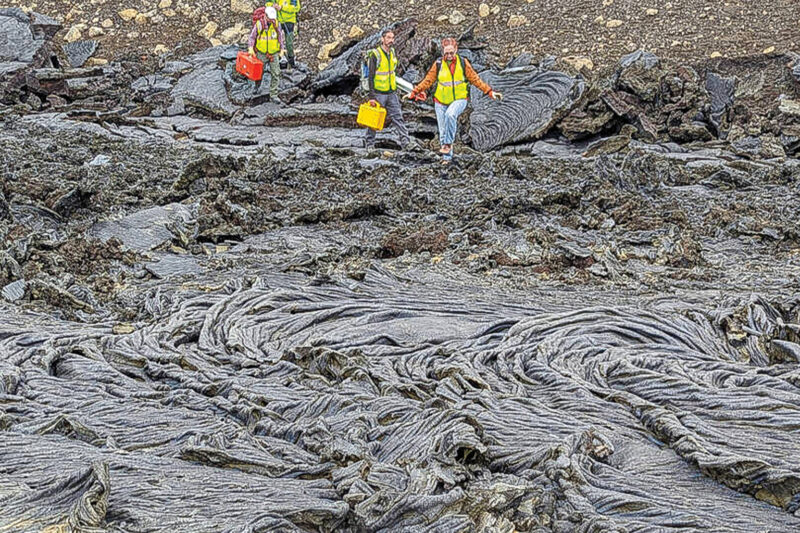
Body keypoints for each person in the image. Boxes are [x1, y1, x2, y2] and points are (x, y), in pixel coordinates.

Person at [407, 38, 502, 163]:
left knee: (450, 115)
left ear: (456, 50)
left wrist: (489, 92)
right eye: (446, 53)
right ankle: (447, 159)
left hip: (459, 99)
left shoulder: (463, 63)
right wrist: (414, 92)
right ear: (442, 52)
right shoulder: (438, 64)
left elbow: (475, 79)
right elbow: (428, 81)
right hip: (440, 102)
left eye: (452, 52)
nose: (449, 55)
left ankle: (447, 144)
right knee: (442, 131)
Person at [364, 29, 415, 151]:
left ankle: (406, 142)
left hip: (391, 92)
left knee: (398, 117)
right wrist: (371, 96)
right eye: (388, 38)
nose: (391, 40)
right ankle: (369, 144)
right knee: (373, 119)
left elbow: (392, 72)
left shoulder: (392, 52)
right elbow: (371, 77)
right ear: (382, 39)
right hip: (378, 93)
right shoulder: (375, 55)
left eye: (392, 38)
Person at [248, 6, 285, 102]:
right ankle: (257, 86)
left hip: (274, 53)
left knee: (276, 73)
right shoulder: (259, 25)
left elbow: (280, 37)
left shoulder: (276, 24)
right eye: (270, 18)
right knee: (259, 72)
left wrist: (282, 49)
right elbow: (252, 37)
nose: (272, 20)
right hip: (262, 53)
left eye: (273, 19)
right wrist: (251, 48)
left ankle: (273, 94)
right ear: (266, 16)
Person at [266, 0, 301, 69]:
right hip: (277, 21)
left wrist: (282, 8)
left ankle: (291, 62)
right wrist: (272, 6)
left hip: (289, 22)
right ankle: (275, 60)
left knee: (289, 43)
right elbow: (267, 3)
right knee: (275, 42)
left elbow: (296, 8)